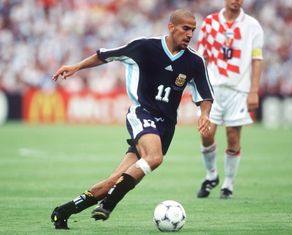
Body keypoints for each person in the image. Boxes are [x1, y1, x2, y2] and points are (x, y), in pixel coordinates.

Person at [50, 9, 214, 229]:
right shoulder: (145, 47)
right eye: (185, 28)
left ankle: (64, 211)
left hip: (166, 126)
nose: (189, 34)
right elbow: (105, 55)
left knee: (114, 180)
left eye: (192, 30)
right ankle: (109, 204)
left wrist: (204, 113)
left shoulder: (194, 61)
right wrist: (77, 66)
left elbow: (205, 95)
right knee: (154, 157)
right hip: (142, 113)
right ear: (171, 27)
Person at [195, 0, 264, 199]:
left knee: (233, 137)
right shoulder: (210, 22)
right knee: (206, 133)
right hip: (213, 88)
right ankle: (211, 176)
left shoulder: (252, 26)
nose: (236, 1)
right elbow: (202, 57)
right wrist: (198, 87)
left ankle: (228, 184)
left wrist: (254, 90)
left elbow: (256, 59)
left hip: (238, 90)